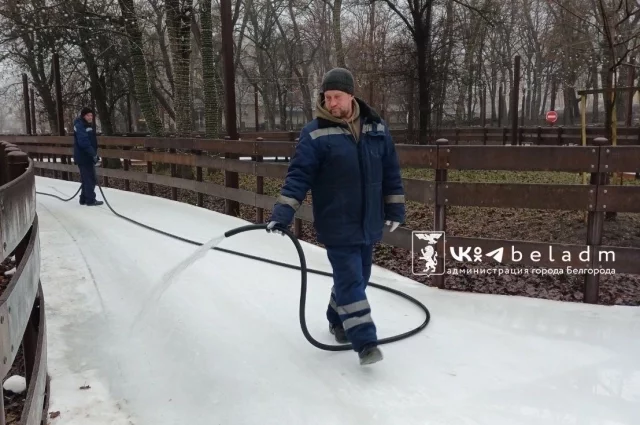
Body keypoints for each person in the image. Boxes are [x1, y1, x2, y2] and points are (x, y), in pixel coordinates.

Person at [267, 67, 405, 365]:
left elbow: (391, 171)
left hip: (368, 221)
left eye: (337, 97)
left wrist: (395, 208)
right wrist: (283, 213)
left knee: (360, 276)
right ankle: (365, 342)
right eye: (327, 97)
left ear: (351, 96)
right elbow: (298, 176)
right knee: (350, 279)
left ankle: (337, 319)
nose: (331, 103)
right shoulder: (315, 133)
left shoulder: (376, 128)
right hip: (336, 221)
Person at [73, 107, 103, 206]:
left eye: (91, 115)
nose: (91, 117)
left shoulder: (86, 124)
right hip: (84, 156)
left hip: (87, 156)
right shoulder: (80, 125)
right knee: (90, 178)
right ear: (84, 116)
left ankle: (83, 199)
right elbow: (84, 142)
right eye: (88, 115)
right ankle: (90, 200)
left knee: (87, 178)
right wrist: (93, 154)